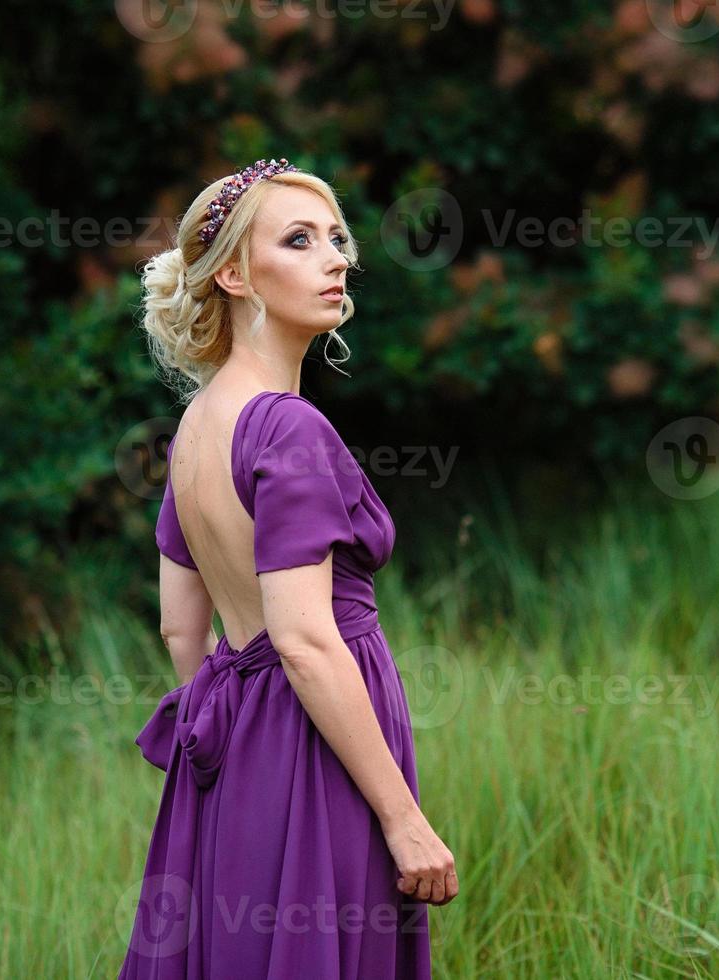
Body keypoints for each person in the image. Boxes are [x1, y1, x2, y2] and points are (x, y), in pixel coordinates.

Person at [118, 159, 456, 979]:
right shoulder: (288, 430)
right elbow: (304, 641)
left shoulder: (197, 429)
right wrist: (403, 818)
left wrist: (237, 750)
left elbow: (179, 627)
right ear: (233, 273)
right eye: (299, 241)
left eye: (337, 238)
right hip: (319, 747)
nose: (336, 258)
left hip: (239, 755)